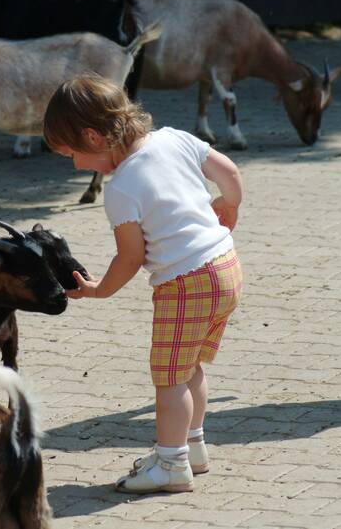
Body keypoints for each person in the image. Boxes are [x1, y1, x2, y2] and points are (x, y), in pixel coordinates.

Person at [43, 74, 243, 493]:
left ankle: (171, 465)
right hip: (226, 266)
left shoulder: (122, 188)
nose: (76, 166)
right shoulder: (174, 138)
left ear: (93, 137)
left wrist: (100, 289)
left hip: (186, 282)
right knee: (190, 367)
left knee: (169, 377)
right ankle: (193, 446)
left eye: (72, 155)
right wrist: (229, 204)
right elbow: (228, 171)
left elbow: (131, 257)